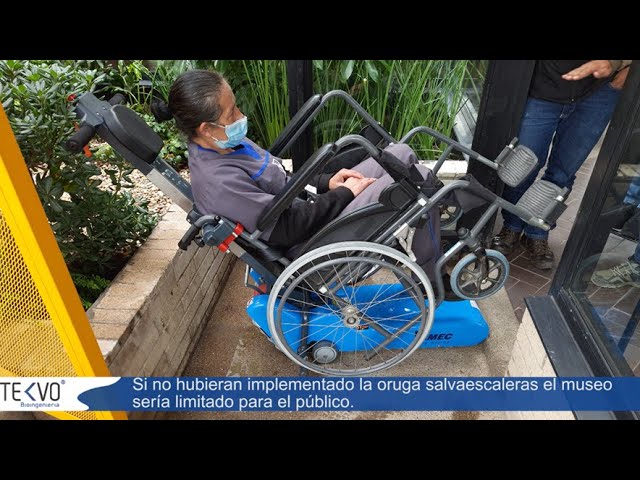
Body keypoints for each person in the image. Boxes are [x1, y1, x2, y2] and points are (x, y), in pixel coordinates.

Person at [152, 69, 482, 283]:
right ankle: (431, 279)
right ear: (206, 128)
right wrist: (345, 195)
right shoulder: (219, 183)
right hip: (308, 243)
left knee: (400, 154)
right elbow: (287, 228)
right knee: (415, 183)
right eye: (232, 113)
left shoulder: (225, 143)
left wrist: (327, 182)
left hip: (310, 211)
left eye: (236, 107)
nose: (241, 116)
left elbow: (278, 181)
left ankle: (437, 223)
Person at [491, 60, 631, 270]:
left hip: (600, 91)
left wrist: (626, 67)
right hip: (542, 84)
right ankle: (512, 224)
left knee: (563, 174)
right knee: (522, 165)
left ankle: (537, 232)